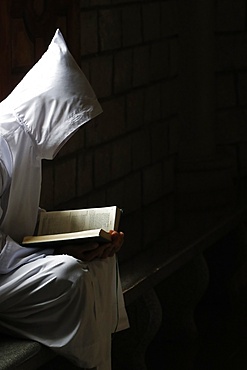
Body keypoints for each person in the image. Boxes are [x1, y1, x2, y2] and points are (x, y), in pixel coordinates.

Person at [0, 29, 129, 370]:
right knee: (70, 276)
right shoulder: (2, 146)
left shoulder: (23, 143)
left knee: (100, 263)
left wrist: (78, 240)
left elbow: (15, 215)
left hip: (10, 265)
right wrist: (59, 251)